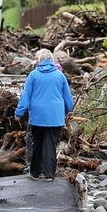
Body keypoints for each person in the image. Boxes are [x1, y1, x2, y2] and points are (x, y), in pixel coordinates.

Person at [14, 48, 73, 181]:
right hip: (55, 116)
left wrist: (19, 112)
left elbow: (26, 96)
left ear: (39, 60)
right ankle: (49, 174)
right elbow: (68, 98)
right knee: (51, 144)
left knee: (37, 143)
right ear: (51, 59)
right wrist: (68, 110)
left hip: (37, 116)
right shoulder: (60, 75)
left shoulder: (33, 75)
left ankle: (35, 172)